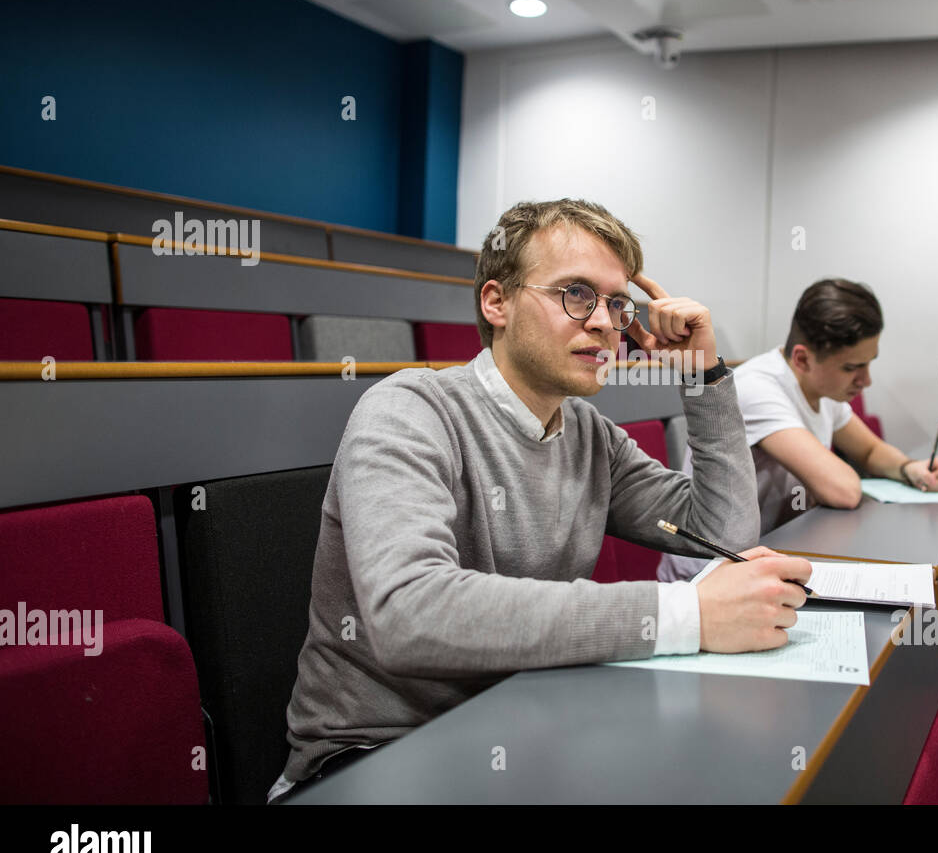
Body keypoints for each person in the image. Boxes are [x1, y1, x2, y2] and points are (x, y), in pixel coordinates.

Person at [268, 199, 809, 802]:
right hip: (375, 757)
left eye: (617, 303)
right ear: (496, 302)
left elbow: (724, 535)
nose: (606, 322)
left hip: (522, 726)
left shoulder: (588, 434)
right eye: (577, 294)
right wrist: (688, 614)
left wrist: (701, 373)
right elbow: (409, 613)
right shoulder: (408, 410)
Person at [658, 278, 938, 582]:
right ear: (802, 358)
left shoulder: (824, 389)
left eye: (868, 364)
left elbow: (870, 450)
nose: (866, 380)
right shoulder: (756, 389)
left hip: (770, 552)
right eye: (852, 368)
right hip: (706, 575)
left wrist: (910, 468)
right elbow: (843, 491)